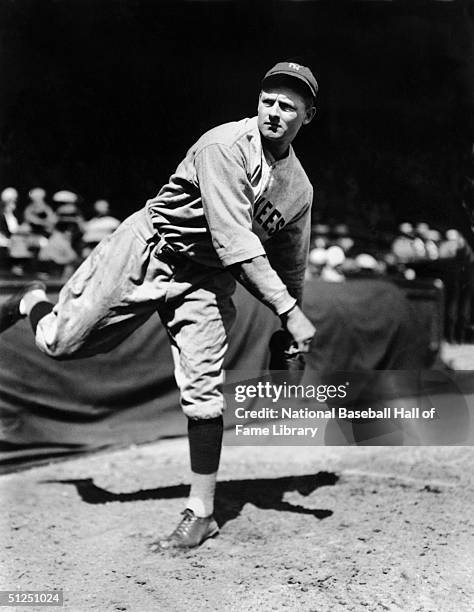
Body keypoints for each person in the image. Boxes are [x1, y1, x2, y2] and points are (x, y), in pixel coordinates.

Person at [0, 61, 318, 550]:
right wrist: (287, 310)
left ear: (307, 116)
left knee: (205, 391)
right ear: (257, 102)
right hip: (149, 248)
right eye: (268, 101)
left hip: (205, 280)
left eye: (288, 106)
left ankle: (202, 511)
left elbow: (290, 261)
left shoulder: (298, 188)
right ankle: (32, 301)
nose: (274, 113)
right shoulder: (224, 145)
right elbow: (234, 238)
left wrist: (288, 321)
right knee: (60, 343)